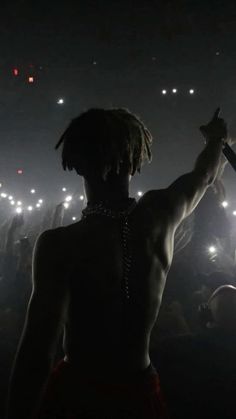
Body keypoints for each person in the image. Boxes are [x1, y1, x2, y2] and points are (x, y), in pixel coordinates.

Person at [6, 107, 227, 419]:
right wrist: (216, 139)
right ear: (135, 159)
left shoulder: (60, 245)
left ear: (78, 163)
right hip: (139, 393)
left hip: (77, 396)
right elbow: (203, 175)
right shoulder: (159, 216)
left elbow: (37, 353)